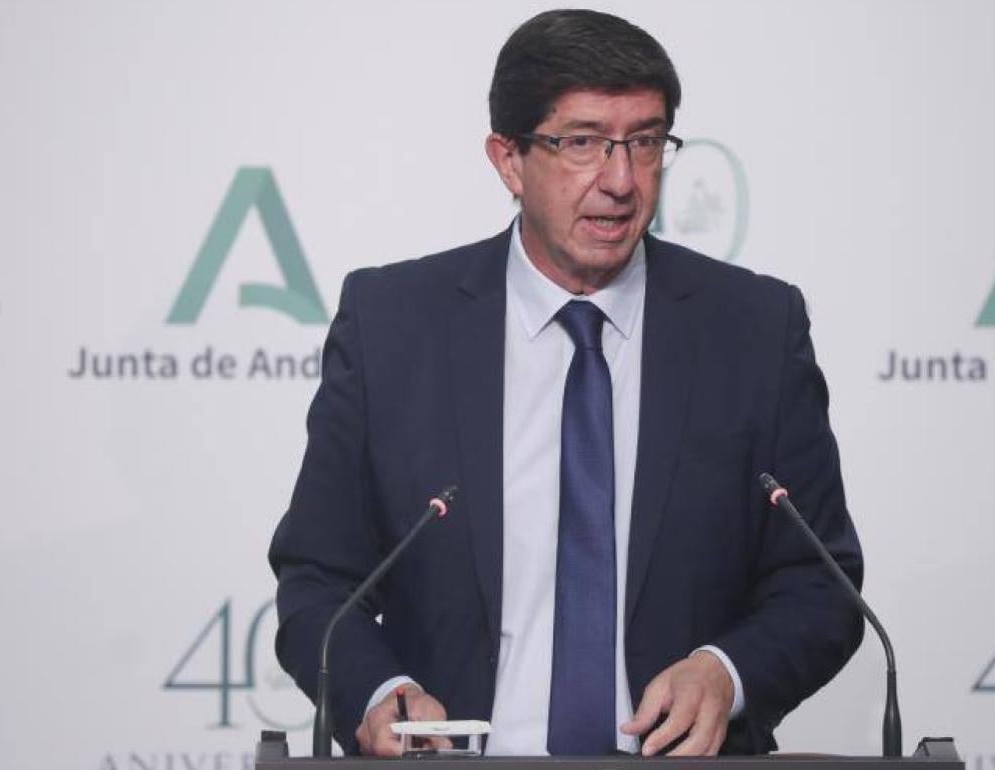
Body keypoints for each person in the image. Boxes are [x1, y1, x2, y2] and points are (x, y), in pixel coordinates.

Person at [269, 9, 863, 758]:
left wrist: (726, 673)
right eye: (582, 142)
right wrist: (379, 692)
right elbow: (320, 579)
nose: (621, 181)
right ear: (509, 160)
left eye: (645, 142)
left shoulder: (753, 330)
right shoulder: (392, 326)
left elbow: (820, 585)